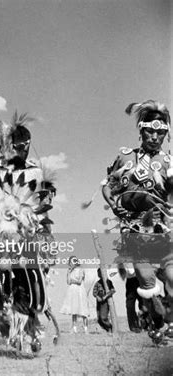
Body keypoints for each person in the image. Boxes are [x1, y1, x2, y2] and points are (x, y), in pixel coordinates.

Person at [0, 112, 57, 352]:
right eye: (15, 148)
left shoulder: (34, 172)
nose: (19, 153)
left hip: (26, 235)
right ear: (4, 146)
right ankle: (5, 321)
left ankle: (26, 326)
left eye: (23, 148)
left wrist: (44, 228)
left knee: (28, 281)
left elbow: (39, 208)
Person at [102, 100, 173, 343]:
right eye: (150, 131)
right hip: (134, 233)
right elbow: (108, 188)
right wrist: (114, 206)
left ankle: (168, 324)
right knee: (147, 283)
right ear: (141, 131)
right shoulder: (125, 158)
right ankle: (158, 325)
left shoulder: (169, 162)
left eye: (161, 132)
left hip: (164, 234)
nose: (155, 137)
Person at [60, 256, 89, 333]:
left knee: (83, 309)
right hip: (72, 291)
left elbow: (79, 281)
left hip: (80, 290)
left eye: (71, 262)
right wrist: (68, 274)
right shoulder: (69, 271)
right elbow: (68, 282)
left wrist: (73, 280)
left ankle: (85, 328)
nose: (70, 264)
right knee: (74, 309)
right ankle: (74, 328)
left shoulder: (80, 270)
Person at [92, 268, 115, 332]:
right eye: (98, 273)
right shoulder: (97, 283)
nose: (99, 274)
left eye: (100, 273)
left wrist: (105, 296)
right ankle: (107, 330)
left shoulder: (108, 282)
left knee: (103, 317)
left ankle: (110, 328)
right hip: (99, 302)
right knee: (99, 319)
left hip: (105, 302)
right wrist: (97, 297)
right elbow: (94, 292)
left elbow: (113, 290)